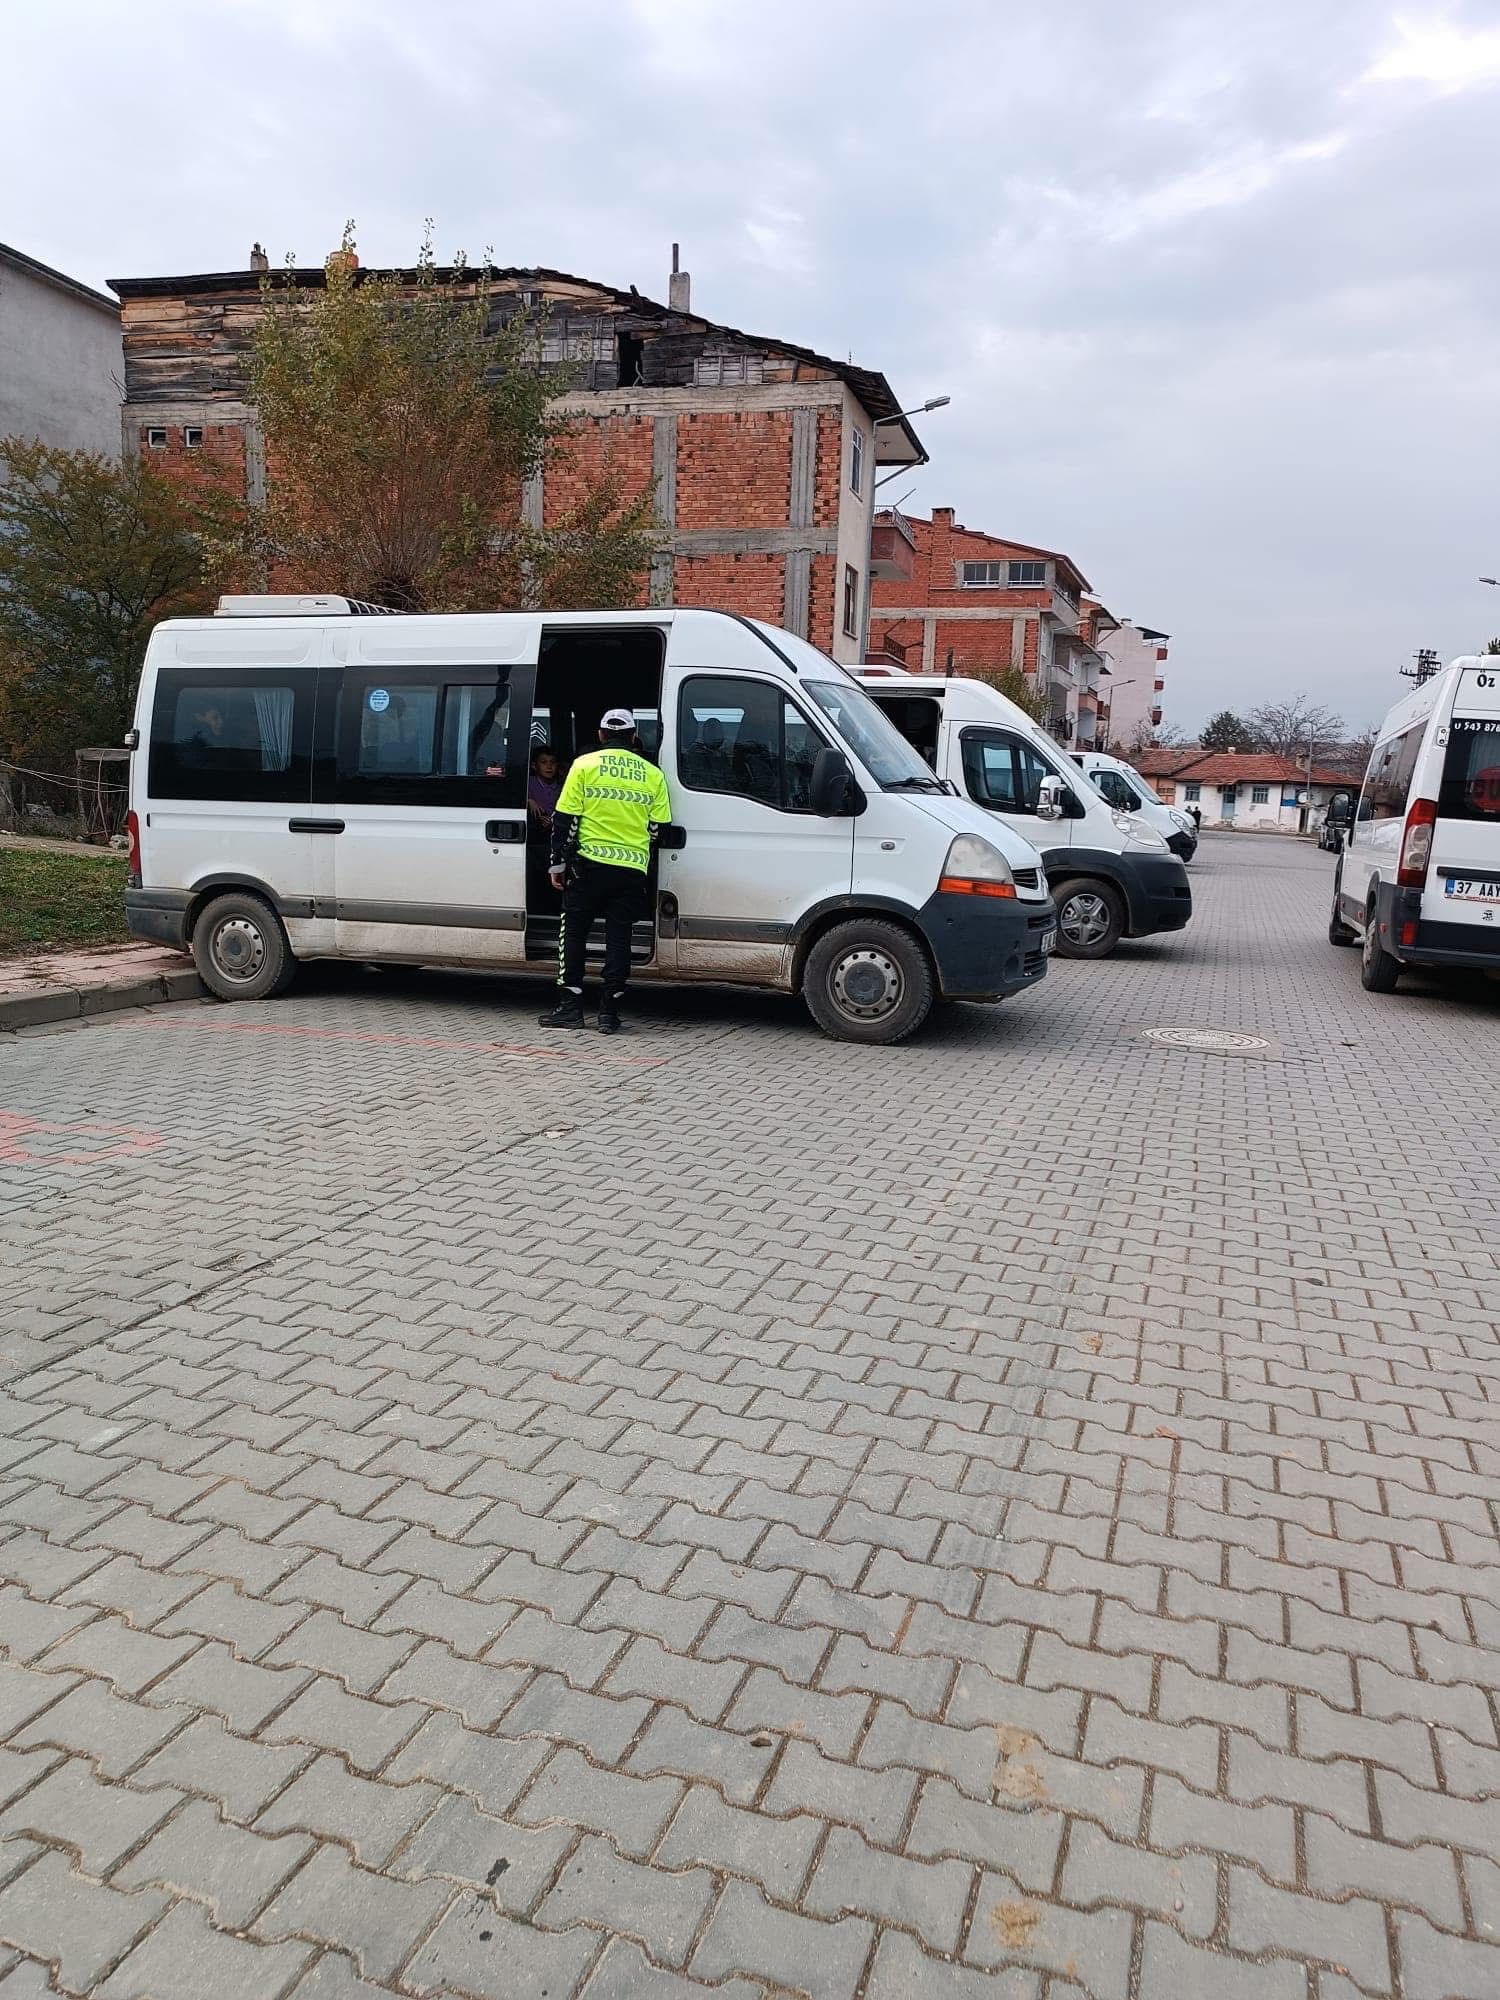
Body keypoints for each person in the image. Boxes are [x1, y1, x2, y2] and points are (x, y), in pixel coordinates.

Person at [538, 708, 671, 1035]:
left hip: (587, 868)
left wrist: (557, 863)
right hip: (630, 871)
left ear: (600, 735)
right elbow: (659, 828)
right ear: (633, 736)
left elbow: (564, 821)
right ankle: (609, 1014)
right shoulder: (652, 774)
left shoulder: (583, 766)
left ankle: (570, 1008)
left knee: (573, 934)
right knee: (619, 938)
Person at [528, 745, 563, 830]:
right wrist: (529, 800)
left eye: (552, 762)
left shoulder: (562, 787)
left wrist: (553, 822)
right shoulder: (528, 783)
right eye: (543, 762)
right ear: (534, 765)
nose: (549, 766)